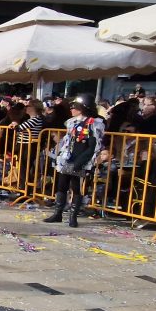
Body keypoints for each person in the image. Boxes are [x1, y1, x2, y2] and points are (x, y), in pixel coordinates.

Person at [44, 94, 105, 228]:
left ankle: (73, 217)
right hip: (67, 157)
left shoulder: (94, 123)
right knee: (61, 185)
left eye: (75, 107)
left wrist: (81, 161)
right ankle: (58, 213)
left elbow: (93, 145)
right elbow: (68, 140)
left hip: (80, 158)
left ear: (83, 108)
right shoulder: (71, 122)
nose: (71, 109)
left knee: (76, 186)